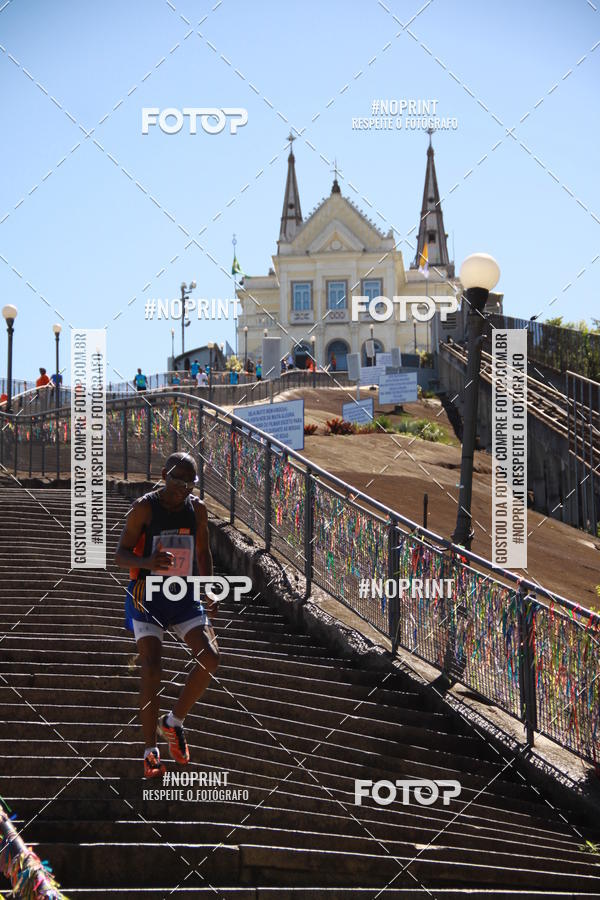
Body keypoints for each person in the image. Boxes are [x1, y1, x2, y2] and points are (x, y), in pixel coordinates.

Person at [114, 452, 220, 778]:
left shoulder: (196, 509)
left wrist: (208, 586)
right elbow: (120, 554)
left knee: (211, 657)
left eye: (189, 484)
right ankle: (150, 750)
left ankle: (173, 723)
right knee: (151, 668)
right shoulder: (144, 508)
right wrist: (149, 563)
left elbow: (202, 551)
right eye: (177, 482)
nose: (183, 490)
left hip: (182, 595)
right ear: (164, 476)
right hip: (147, 596)